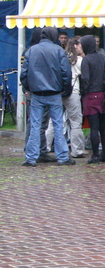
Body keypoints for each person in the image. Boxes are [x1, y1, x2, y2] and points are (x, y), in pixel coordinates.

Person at [21, 27, 74, 167]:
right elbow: (66, 73)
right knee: (58, 125)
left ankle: (31, 158)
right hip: (55, 93)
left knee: (35, 126)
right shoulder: (59, 50)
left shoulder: (31, 50)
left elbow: (24, 74)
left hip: (37, 94)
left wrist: (28, 88)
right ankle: (62, 157)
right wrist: (64, 89)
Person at [22, 28, 53, 162]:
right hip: (39, 90)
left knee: (33, 122)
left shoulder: (28, 51)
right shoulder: (38, 51)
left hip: (31, 89)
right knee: (39, 123)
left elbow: (24, 73)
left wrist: (26, 87)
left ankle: (31, 148)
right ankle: (39, 150)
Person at [79, 35, 105, 164]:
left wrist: (83, 91)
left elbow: (85, 78)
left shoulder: (86, 60)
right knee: (103, 127)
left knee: (94, 127)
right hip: (103, 95)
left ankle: (95, 155)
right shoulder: (102, 58)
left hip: (91, 96)